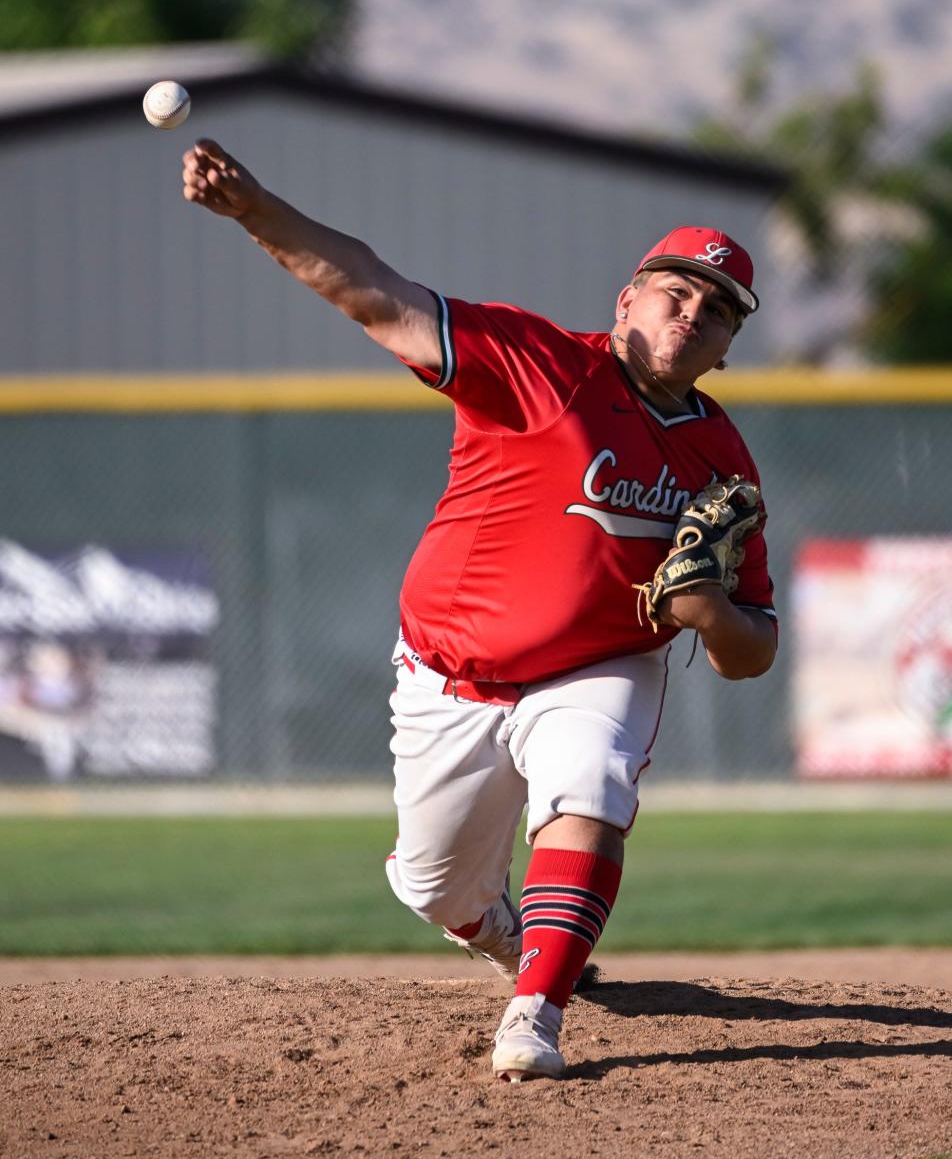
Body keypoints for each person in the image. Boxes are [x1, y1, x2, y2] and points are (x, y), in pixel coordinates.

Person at [182, 139, 778, 1082]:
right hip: (448, 672)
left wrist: (707, 611)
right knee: (431, 883)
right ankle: (503, 930)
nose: (693, 313)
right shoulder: (537, 362)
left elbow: (754, 650)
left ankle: (535, 1012)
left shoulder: (726, 460)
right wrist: (256, 210)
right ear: (627, 300)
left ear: (728, 346)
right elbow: (372, 290)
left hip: (603, 663)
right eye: (677, 291)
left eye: (717, 311)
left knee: (591, 779)